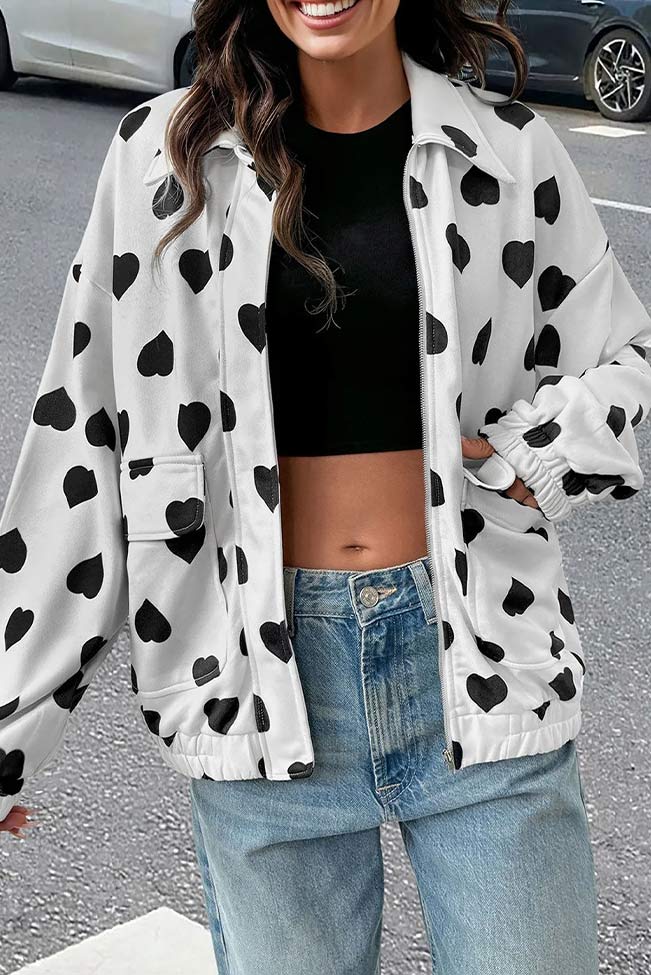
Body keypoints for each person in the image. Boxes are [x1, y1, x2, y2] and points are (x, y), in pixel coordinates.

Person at [2, 0, 651, 971]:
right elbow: (80, 442)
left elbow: (626, 355)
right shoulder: (165, 158)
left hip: (480, 659)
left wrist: (540, 450)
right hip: (256, 682)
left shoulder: (505, 153)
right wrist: (12, 727)